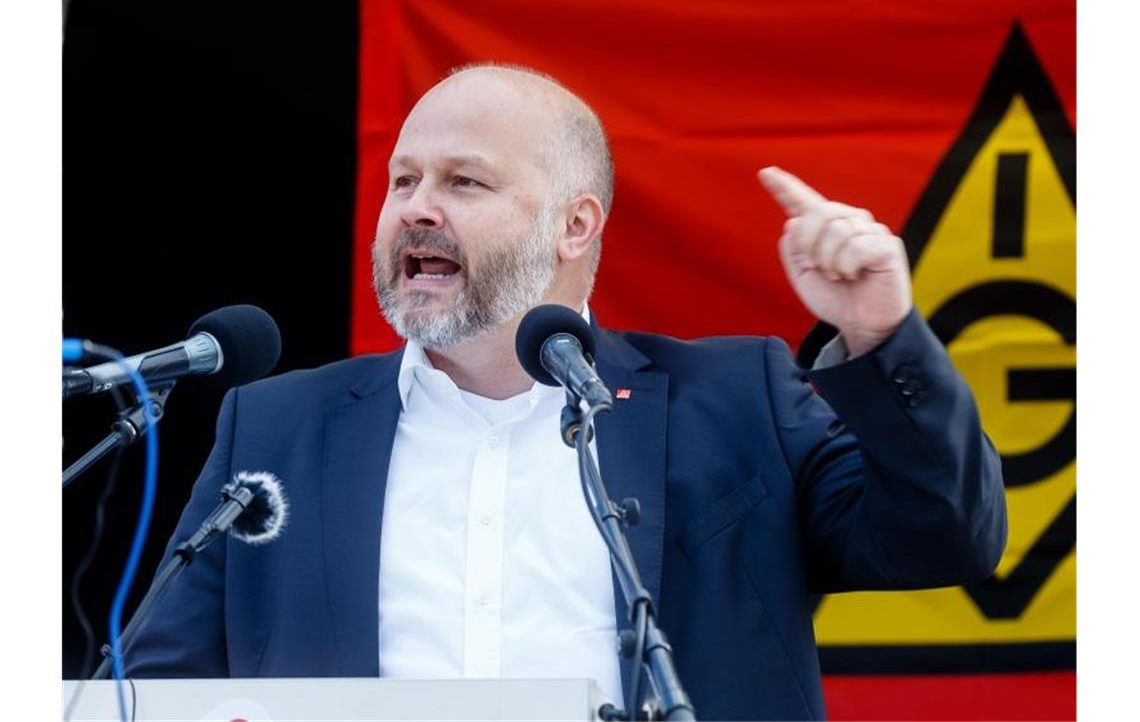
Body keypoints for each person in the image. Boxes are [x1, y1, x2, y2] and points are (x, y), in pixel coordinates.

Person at [125, 65, 1007, 720]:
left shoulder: (737, 402)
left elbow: (947, 537)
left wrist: (880, 335)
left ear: (575, 224)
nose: (415, 209)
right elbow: (160, 685)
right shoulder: (278, 428)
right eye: (403, 180)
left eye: (463, 181)